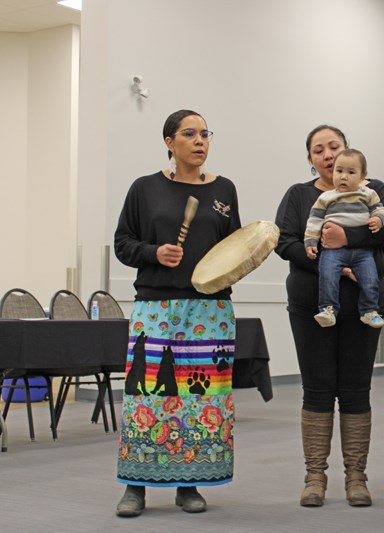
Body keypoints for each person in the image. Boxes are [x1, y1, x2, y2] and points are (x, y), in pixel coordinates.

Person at [113, 110, 241, 517]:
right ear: (170, 142)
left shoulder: (224, 190)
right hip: (157, 307)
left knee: (199, 400)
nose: (200, 140)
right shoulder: (145, 188)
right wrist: (154, 252)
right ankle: (136, 485)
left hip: (210, 310)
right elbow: (122, 243)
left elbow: (234, 249)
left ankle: (188, 483)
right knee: (148, 398)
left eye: (206, 134)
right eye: (190, 133)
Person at [275, 125, 384, 507]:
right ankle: (315, 476)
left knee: (355, 389)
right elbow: (285, 241)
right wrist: (328, 262)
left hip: (363, 303)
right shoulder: (298, 195)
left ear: (350, 153)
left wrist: (348, 242)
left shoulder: (373, 188)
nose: (328, 155)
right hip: (311, 306)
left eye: (335, 147)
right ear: (311, 159)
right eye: (319, 150)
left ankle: (356, 477)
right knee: (316, 387)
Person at [304, 149, 384, 329]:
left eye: (351, 172)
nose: (343, 177)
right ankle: (328, 309)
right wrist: (310, 242)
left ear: (363, 175)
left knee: (371, 279)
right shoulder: (326, 197)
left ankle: (369, 311)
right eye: (339, 171)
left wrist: (378, 219)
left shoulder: (368, 193)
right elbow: (314, 221)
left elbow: (380, 209)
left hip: (363, 251)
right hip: (332, 250)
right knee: (327, 276)